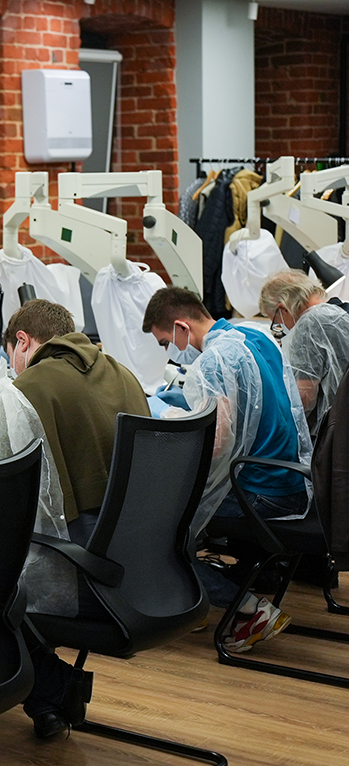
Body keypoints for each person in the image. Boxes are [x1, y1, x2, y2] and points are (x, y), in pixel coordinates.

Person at [0, 300, 150, 739]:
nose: (12, 367)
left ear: (22, 341)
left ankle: (51, 686)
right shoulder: (123, 374)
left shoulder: (24, 393)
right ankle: (48, 698)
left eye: (10, 355)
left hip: (85, 577)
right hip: (143, 570)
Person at [142, 286, 311, 653]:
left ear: (181, 327)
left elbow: (216, 442)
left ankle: (247, 609)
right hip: (293, 479)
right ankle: (194, 600)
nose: (170, 351)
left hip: (263, 491)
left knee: (157, 532)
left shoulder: (215, 360)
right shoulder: (254, 334)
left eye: (165, 342)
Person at [259, 269, 349, 436]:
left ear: (283, 309)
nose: (282, 328)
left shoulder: (309, 324)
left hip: (335, 433)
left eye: (277, 322)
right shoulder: (341, 311)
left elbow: (303, 399)